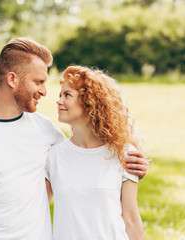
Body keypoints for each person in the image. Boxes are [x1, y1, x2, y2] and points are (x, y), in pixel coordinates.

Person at [0, 38, 147, 240]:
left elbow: (85, 159)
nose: (45, 92)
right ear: (12, 79)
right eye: (38, 81)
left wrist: (134, 167)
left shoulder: (46, 131)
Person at [46, 66, 144, 239]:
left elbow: (130, 218)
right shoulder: (53, 155)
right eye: (60, 95)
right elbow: (39, 210)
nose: (59, 101)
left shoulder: (124, 154)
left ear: (90, 102)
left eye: (67, 95)